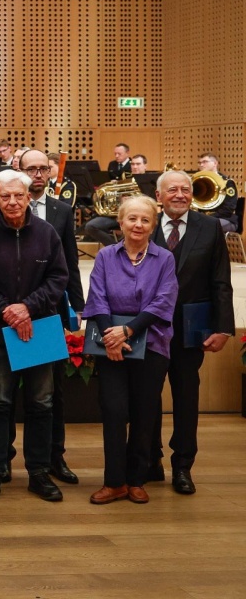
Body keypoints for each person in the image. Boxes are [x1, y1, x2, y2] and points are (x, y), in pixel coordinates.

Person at [0, 169, 68, 503]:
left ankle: (39, 473)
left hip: (40, 329)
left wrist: (26, 308)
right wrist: (8, 311)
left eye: (18, 196)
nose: (12, 202)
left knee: (42, 404)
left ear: (29, 197)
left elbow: (59, 278)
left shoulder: (47, 233)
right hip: (0, 333)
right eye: (4, 197)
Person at [85, 194, 178, 505]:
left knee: (144, 412)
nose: (138, 224)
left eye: (145, 220)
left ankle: (137, 479)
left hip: (151, 343)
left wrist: (128, 330)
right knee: (113, 411)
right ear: (121, 222)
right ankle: (114, 482)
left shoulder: (164, 258)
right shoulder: (105, 257)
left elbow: (163, 301)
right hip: (110, 344)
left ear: (153, 225)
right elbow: (97, 298)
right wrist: (112, 339)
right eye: (132, 219)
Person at [150, 169, 234, 494]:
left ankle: (182, 466)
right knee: (147, 398)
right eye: (173, 190)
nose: (181, 195)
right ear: (159, 196)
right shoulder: (144, 223)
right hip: (150, 328)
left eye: (186, 189)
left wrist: (223, 327)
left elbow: (220, 282)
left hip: (191, 329)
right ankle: (150, 459)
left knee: (187, 399)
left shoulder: (210, 227)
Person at [14, 149, 86, 484]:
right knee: (4, 393)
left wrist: (80, 304)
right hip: (9, 313)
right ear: (19, 170)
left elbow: (70, 261)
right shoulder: (5, 203)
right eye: (32, 169)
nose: (39, 174)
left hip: (49, 312)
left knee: (50, 392)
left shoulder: (60, 210)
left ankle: (53, 458)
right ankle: (1, 462)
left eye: (44, 169)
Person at [196, 153, 239, 234]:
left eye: (205, 162)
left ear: (215, 163)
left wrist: (207, 218)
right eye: (199, 162)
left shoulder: (227, 182)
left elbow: (228, 208)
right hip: (204, 218)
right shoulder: (199, 183)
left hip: (225, 219)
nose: (201, 165)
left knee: (203, 225)